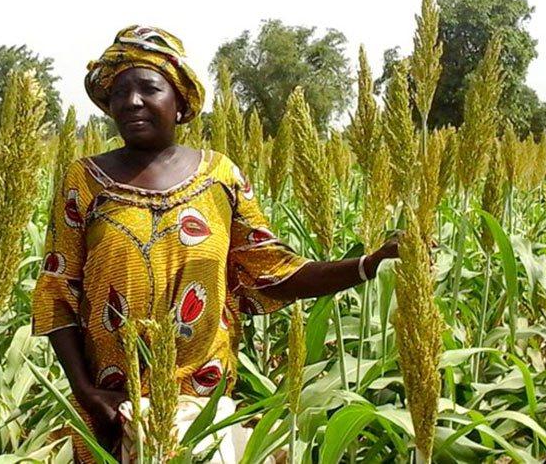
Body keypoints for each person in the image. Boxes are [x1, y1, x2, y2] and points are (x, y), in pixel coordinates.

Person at [31, 25, 400, 463]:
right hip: (113, 411)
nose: (131, 102)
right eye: (119, 93)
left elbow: (273, 271)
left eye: (148, 88)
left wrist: (368, 264)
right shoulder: (84, 180)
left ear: (181, 102)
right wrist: (87, 392)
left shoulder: (220, 177)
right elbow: (57, 292)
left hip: (200, 410)